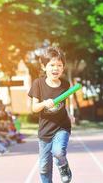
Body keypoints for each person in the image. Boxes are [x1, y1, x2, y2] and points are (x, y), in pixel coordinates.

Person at [28, 46, 75, 183]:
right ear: (44, 66)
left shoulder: (65, 84)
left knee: (58, 152)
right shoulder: (38, 84)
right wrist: (44, 103)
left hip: (62, 127)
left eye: (59, 65)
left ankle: (63, 166)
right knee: (44, 168)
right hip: (45, 131)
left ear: (63, 67)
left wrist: (70, 115)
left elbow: (66, 104)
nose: (56, 68)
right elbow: (34, 108)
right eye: (52, 65)